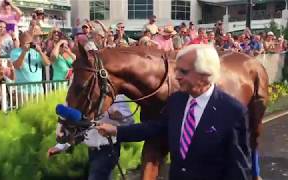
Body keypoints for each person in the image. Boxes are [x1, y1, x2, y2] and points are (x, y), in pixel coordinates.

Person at [97, 44, 252, 180]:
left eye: (183, 72)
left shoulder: (232, 112)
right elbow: (156, 128)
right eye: (176, 70)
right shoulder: (177, 101)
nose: (177, 76)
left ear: (205, 75)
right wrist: (116, 131)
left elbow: (239, 169)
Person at [48, 95, 134, 180]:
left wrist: (118, 115)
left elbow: (130, 122)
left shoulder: (116, 95)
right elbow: (76, 129)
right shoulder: (83, 96)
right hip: (92, 152)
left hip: (109, 149)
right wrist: (60, 146)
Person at [10, 32, 50, 96]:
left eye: (31, 42)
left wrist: (40, 52)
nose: (29, 45)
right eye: (27, 43)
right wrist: (24, 52)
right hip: (23, 90)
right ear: (21, 42)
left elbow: (47, 63)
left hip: (38, 89)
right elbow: (18, 66)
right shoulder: (15, 52)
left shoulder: (36, 51)